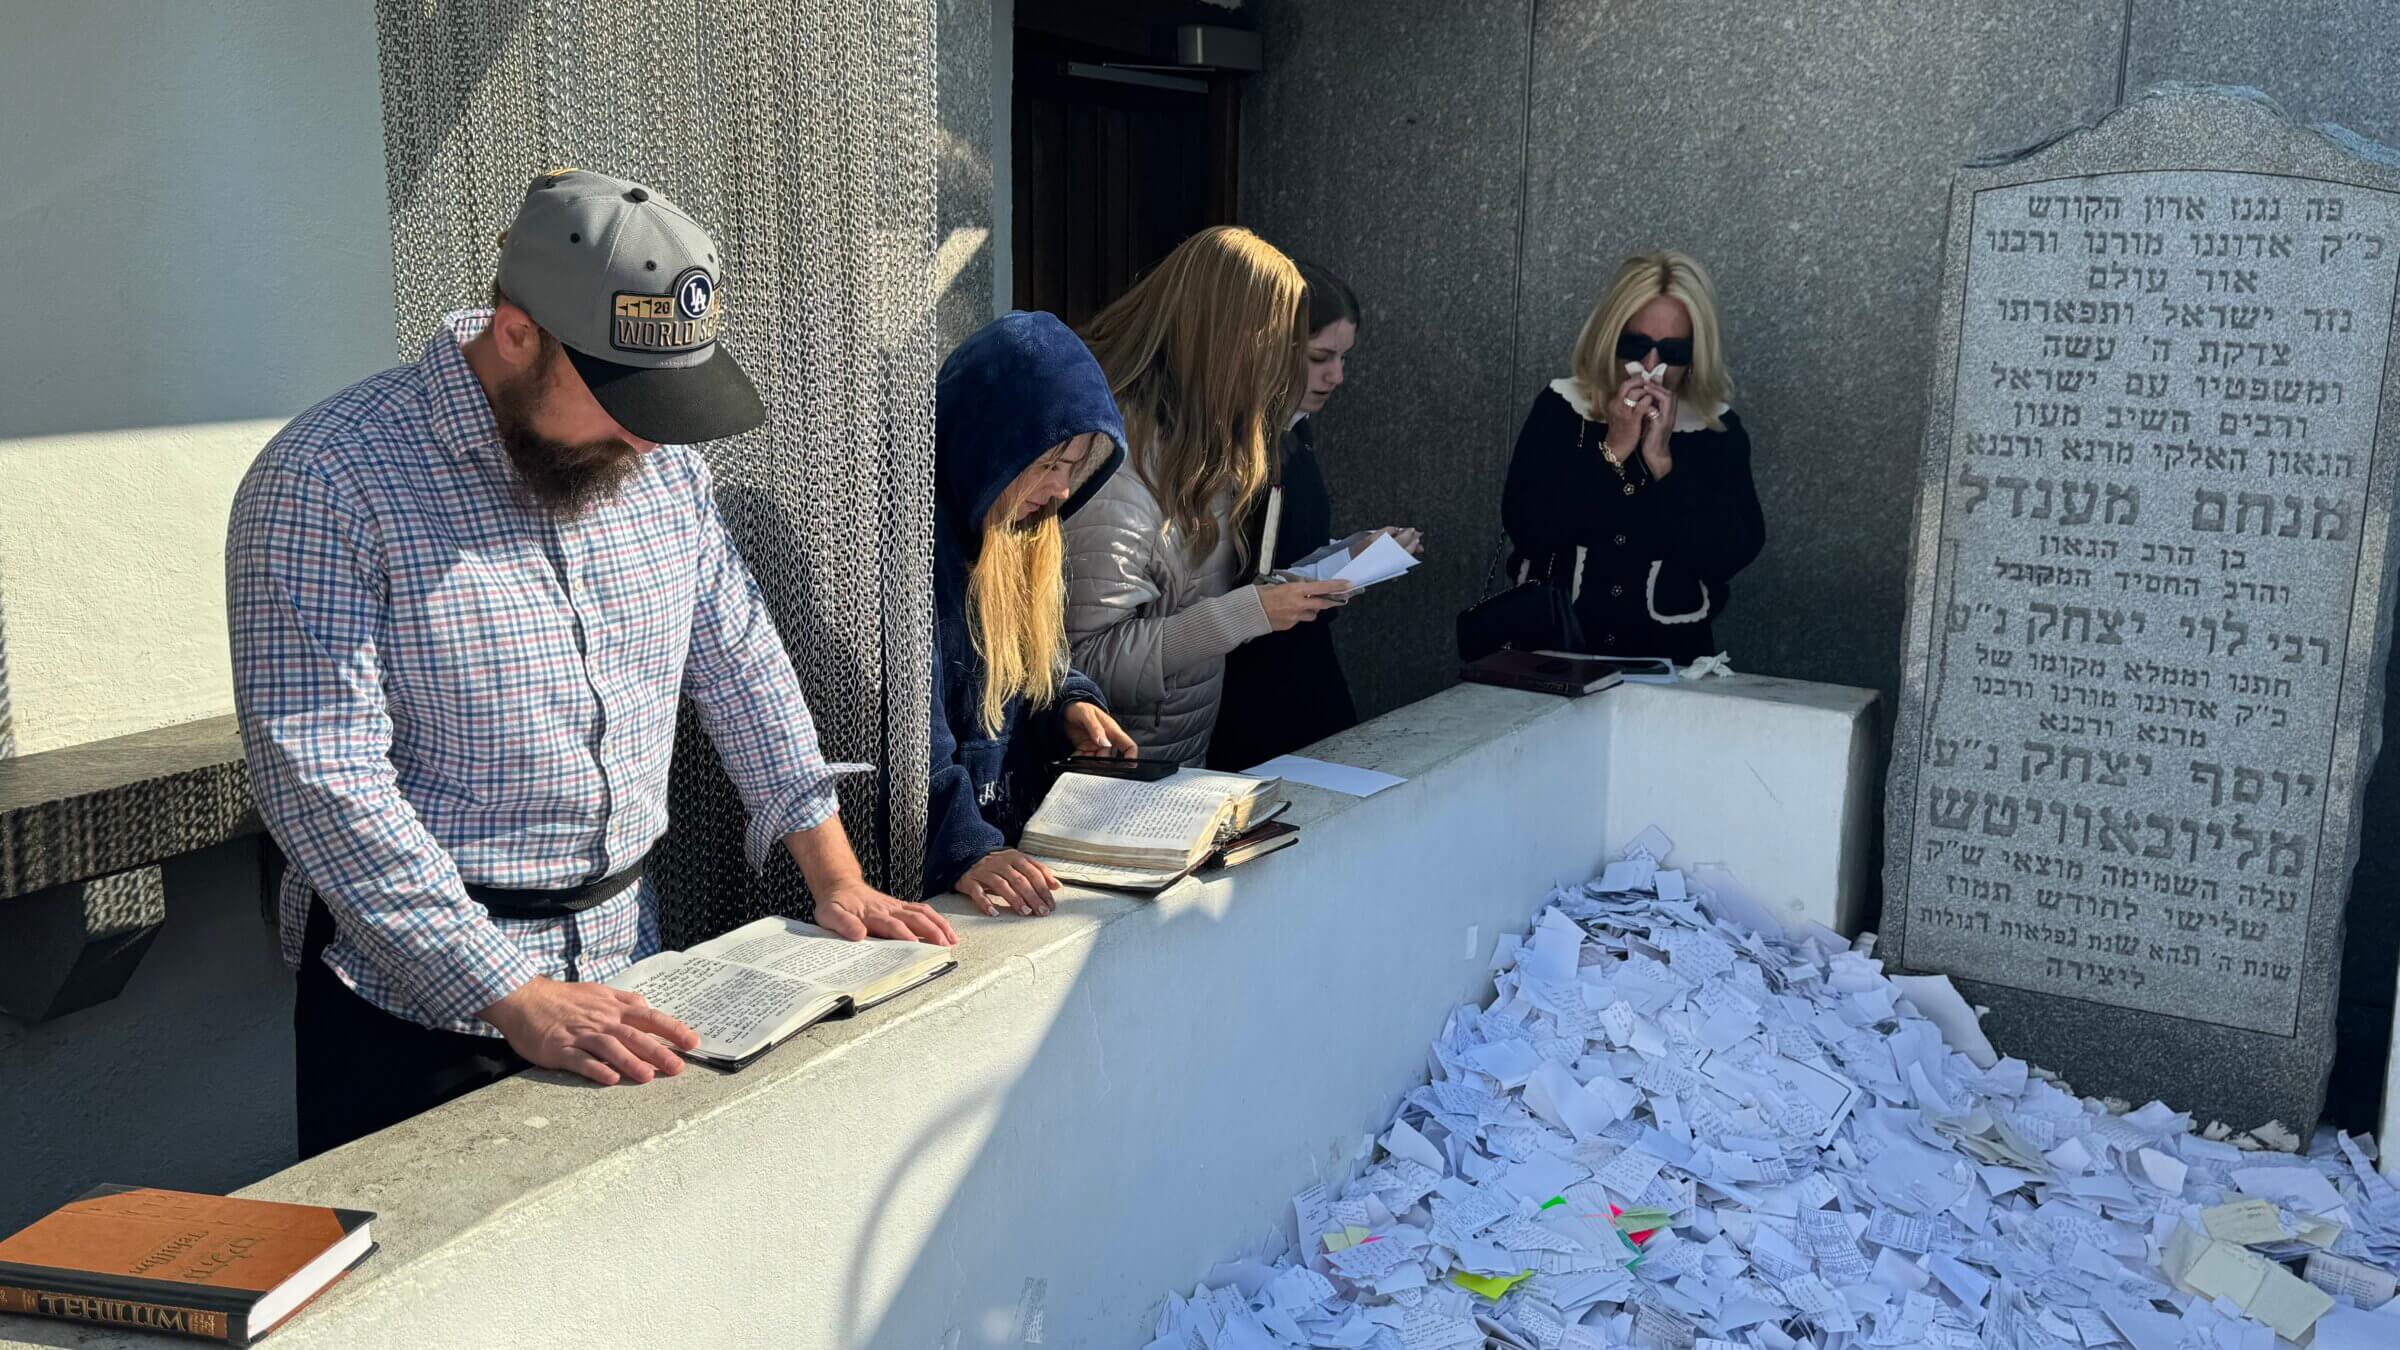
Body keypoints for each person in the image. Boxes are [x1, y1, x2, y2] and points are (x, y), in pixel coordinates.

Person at [227, 168, 956, 1160]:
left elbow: (740, 657)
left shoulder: (660, 467)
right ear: (518, 331)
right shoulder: (328, 483)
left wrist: (833, 874)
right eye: (622, 395)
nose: (648, 433)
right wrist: (511, 994)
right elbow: (321, 776)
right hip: (415, 1008)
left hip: (625, 968)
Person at [1064, 227, 1351, 766]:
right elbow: (1086, 665)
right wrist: (1246, 614)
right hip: (1116, 781)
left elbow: (1189, 600)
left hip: (1171, 767)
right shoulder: (1120, 463)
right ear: (1226, 341)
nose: (1280, 372)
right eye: (1278, 348)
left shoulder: (1204, 437)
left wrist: (1290, 591)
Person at [924, 311, 1140, 918]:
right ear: (989, 446)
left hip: (1006, 847)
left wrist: (1070, 705)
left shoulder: (1019, 530)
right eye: (1050, 464)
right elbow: (909, 734)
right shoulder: (913, 552)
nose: (1065, 490)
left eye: (1076, 468)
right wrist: (962, 846)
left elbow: (1036, 664)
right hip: (934, 886)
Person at [1500, 250, 1764, 663]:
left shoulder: (1716, 430)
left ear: (1695, 355)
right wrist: (1614, 448)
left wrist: (1662, 463)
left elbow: (1730, 552)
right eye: (1635, 345)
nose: (1651, 365)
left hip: (1665, 658)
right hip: (1554, 650)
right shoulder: (1563, 407)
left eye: (1673, 352)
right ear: (1610, 337)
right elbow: (1530, 525)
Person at [1208, 261, 1417, 773]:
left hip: (1301, 678)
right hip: (1256, 701)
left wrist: (1351, 554)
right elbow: (1245, 582)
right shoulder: (1239, 445)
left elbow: (1285, 552)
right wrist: (1338, 566)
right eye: (1321, 357)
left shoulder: (1292, 431)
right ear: (1272, 349)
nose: (1337, 376)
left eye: (1344, 358)